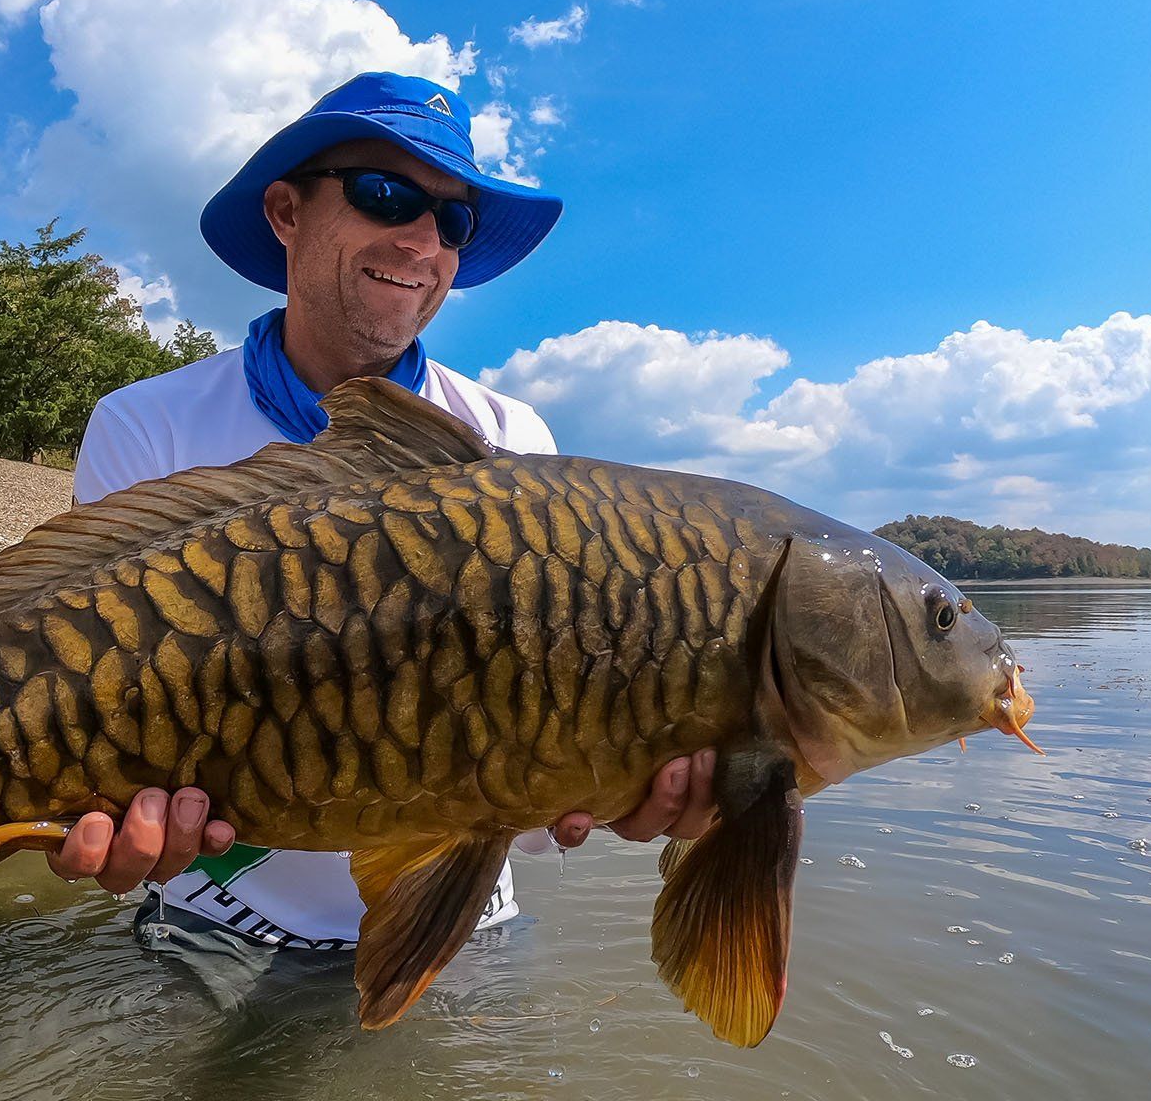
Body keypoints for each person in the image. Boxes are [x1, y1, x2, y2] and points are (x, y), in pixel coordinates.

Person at [52, 71, 717, 957]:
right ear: (285, 212)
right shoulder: (148, 425)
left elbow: (536, 728)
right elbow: (80, 690)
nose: (422, 240)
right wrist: (82, 808)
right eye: (386, 194)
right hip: (215, 911)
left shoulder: (512, 436)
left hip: (465, 920)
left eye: (453, 220)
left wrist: (617, 782)